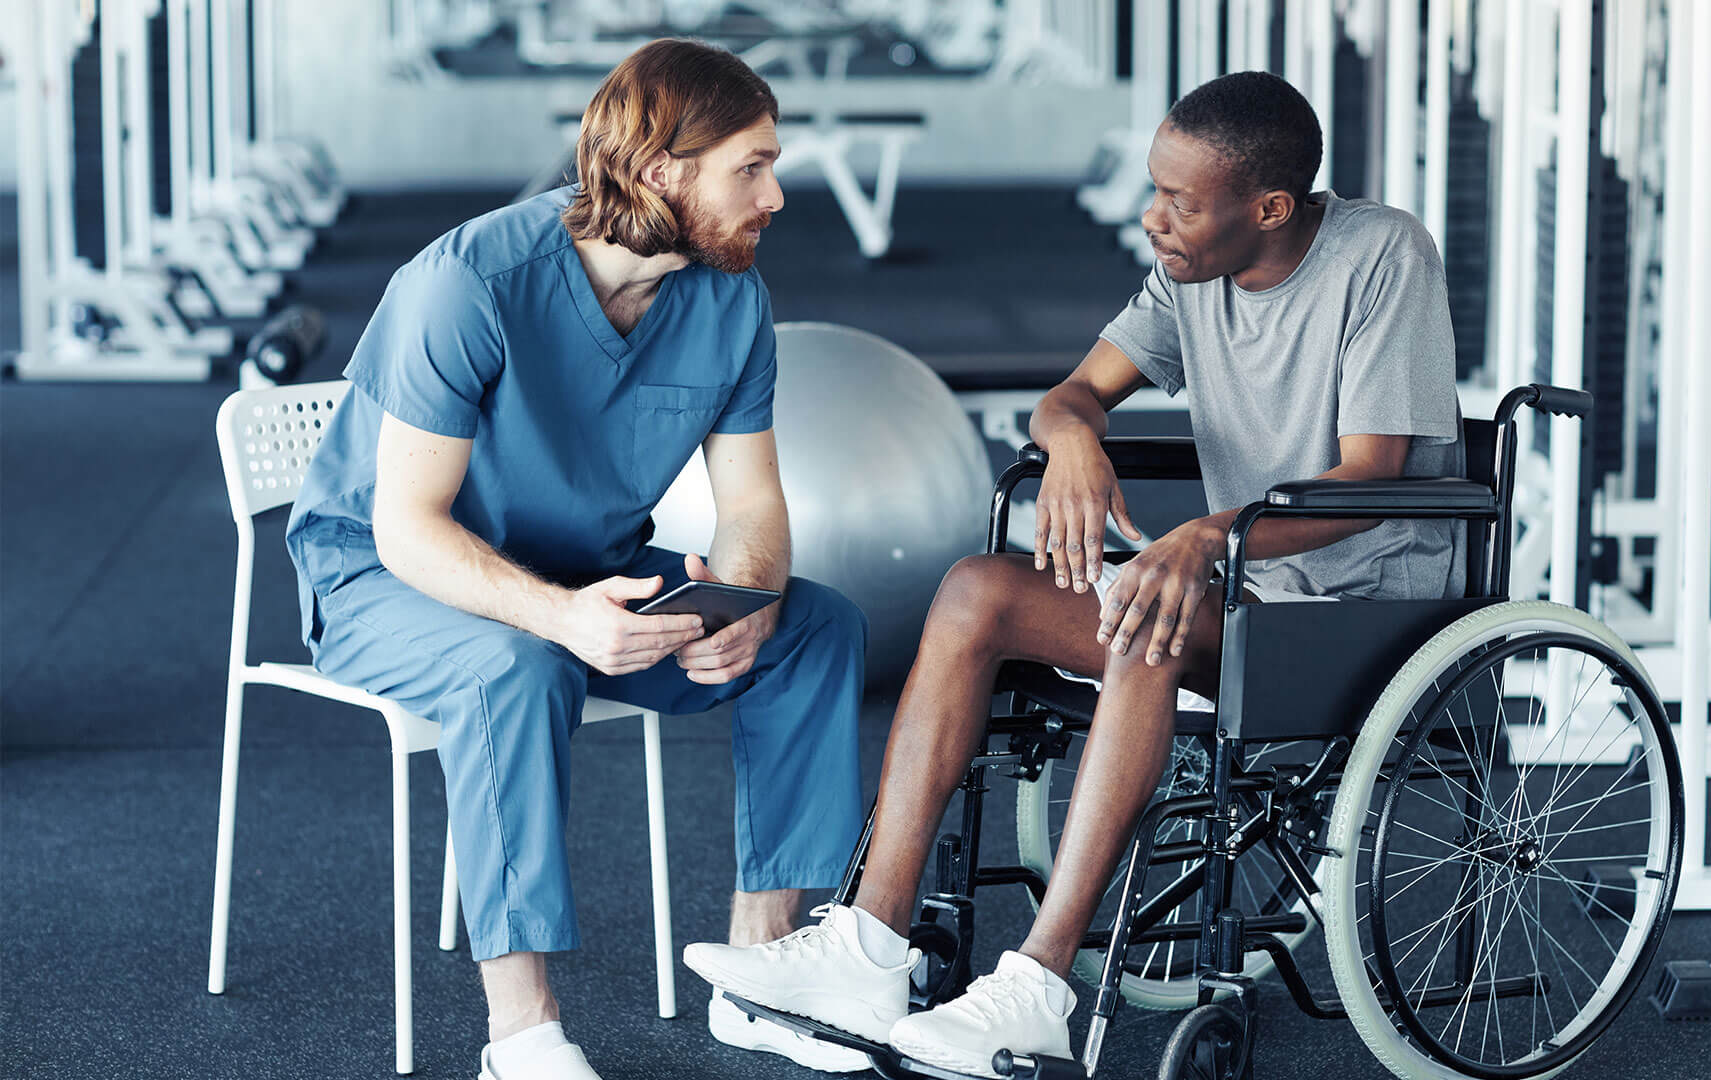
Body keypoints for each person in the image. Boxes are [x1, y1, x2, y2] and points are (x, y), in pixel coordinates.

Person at [684, 70, 1466, 1077]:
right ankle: (867, 945)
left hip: (1364, 610)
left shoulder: (1380, 255)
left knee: (1151, 607)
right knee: (977, 588)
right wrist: (1074, 446)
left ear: (1268, 210)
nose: (1153, 217)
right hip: (1234, 592)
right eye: (1154, 188)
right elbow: (1069, 396)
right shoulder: (1190, 271)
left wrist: (1198, 542)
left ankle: (1039, 983)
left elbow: (1370, 474)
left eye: (1180, 201)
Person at [285, 39, 872, 1080]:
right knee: (516, 664)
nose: (777, 195)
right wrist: (560, 619)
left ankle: (761, 969)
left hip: (583, 575)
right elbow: (406, 527)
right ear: (662, 172)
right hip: (385, 580)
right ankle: (523, 1037)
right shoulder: (468, 282)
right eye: (753, 167)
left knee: (816, 626)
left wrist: (747, 598)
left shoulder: (731, 299)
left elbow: (754, 508)